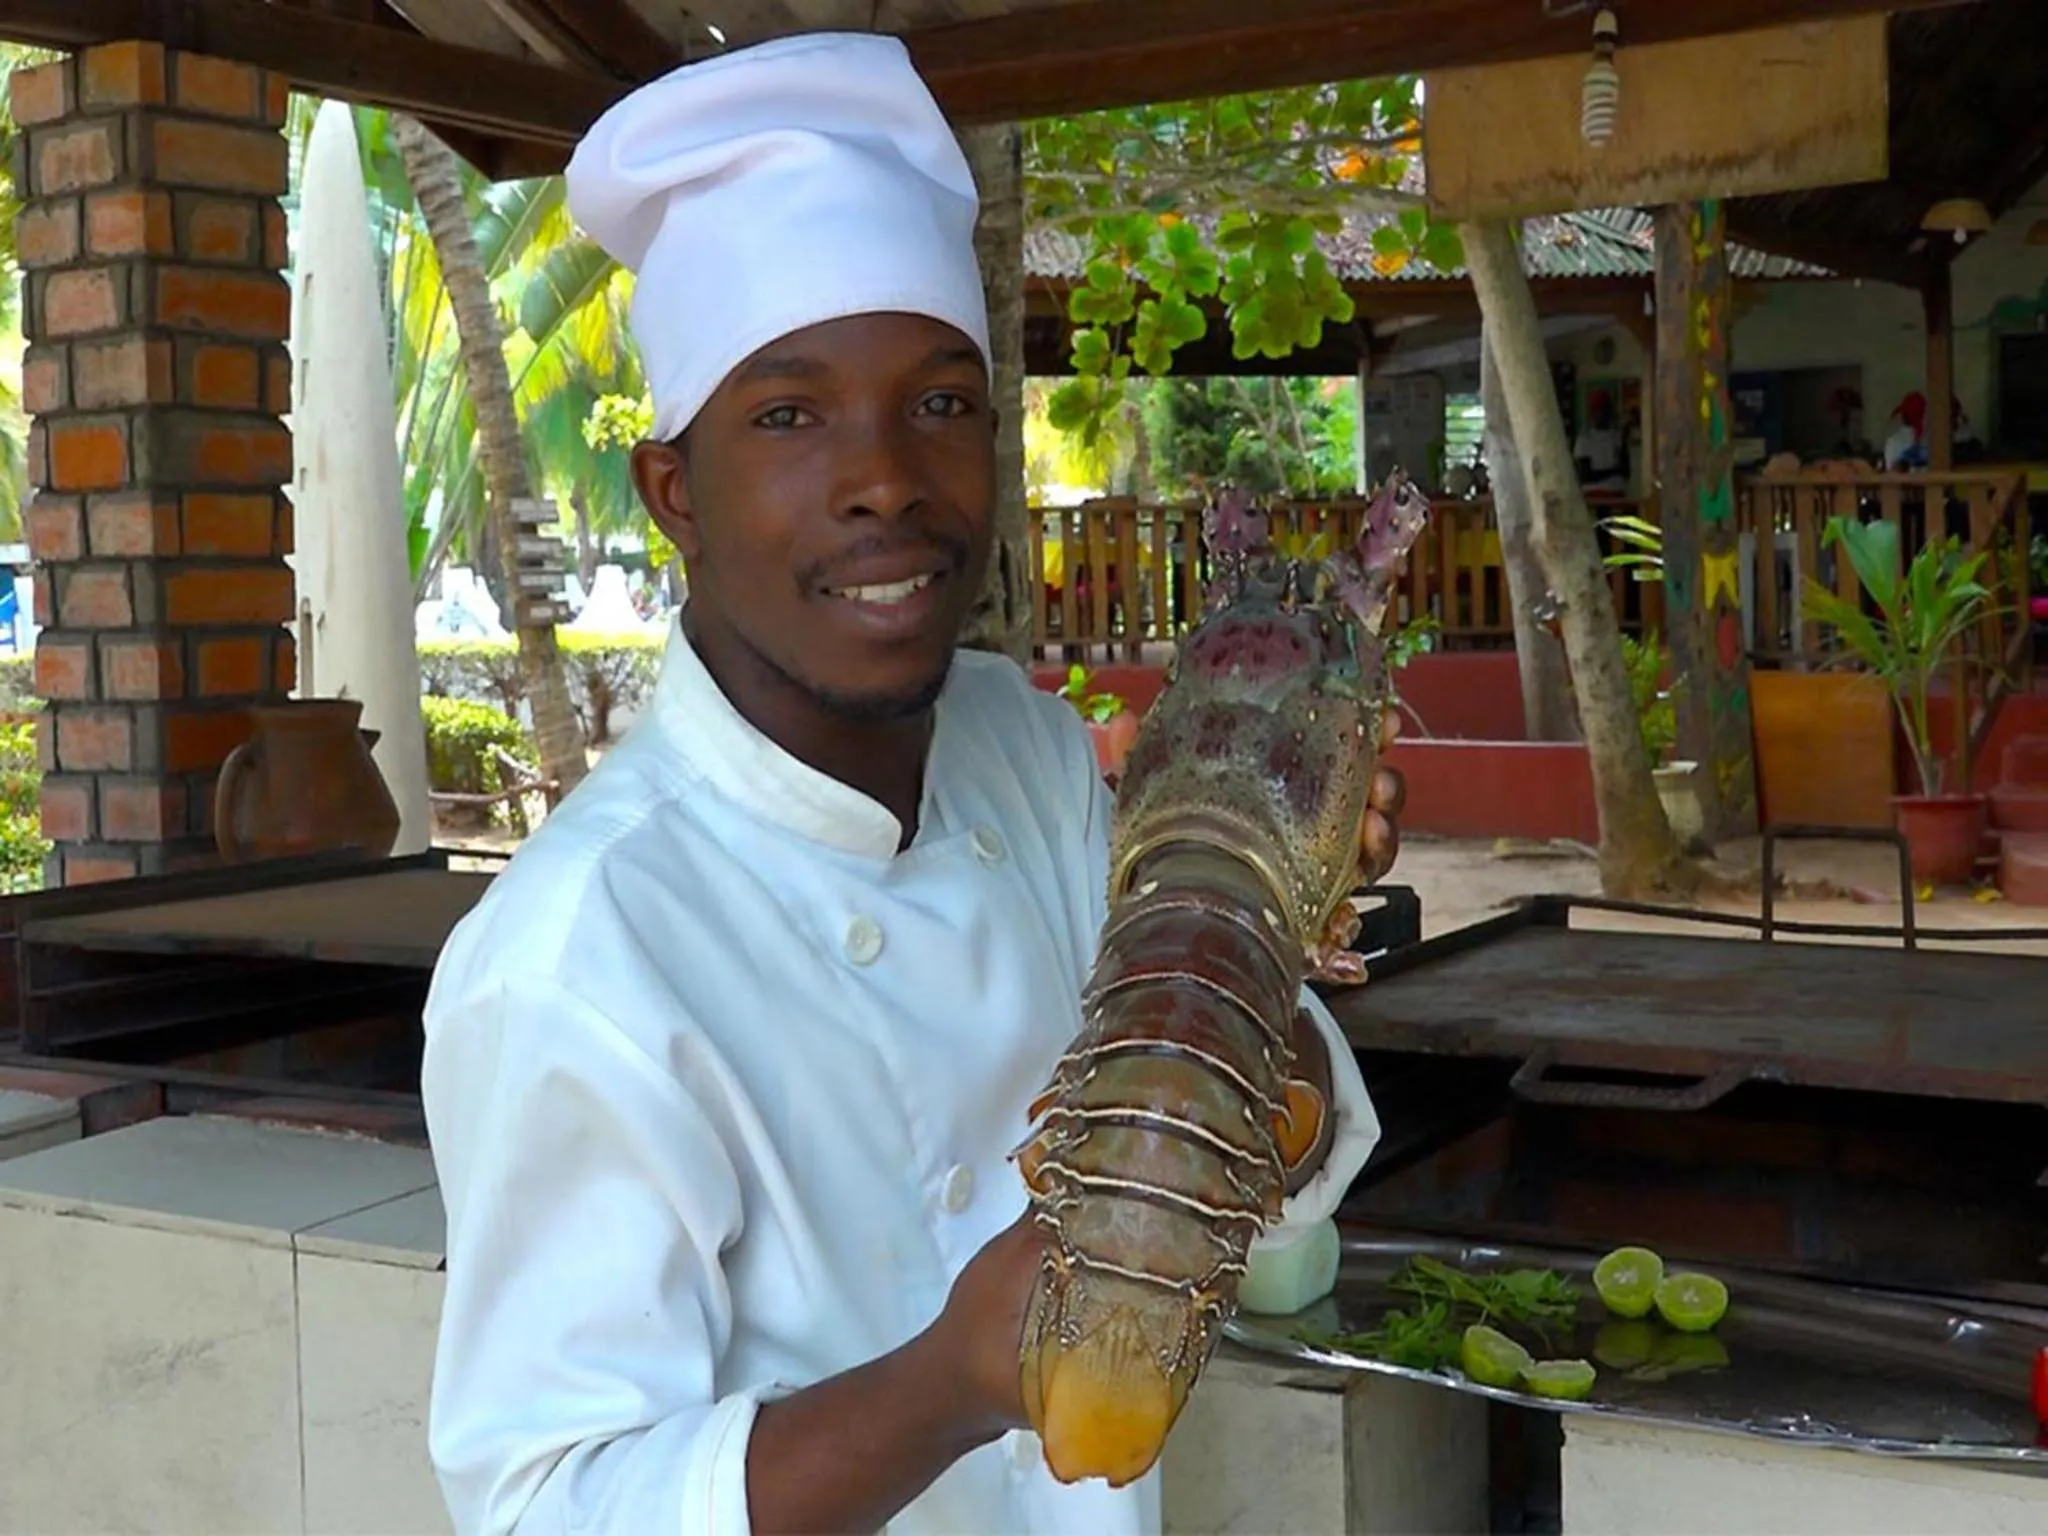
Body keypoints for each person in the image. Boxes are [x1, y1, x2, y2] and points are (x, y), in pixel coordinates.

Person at [418, 32, 1406, 1536]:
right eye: (791, 415)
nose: (885, 477)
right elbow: (542, 1508)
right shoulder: (579, 959)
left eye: (941, 403)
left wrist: (1272, 926)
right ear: (673, 492)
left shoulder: (1018, 745)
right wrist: (946, 1383)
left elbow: (1242, 1152)